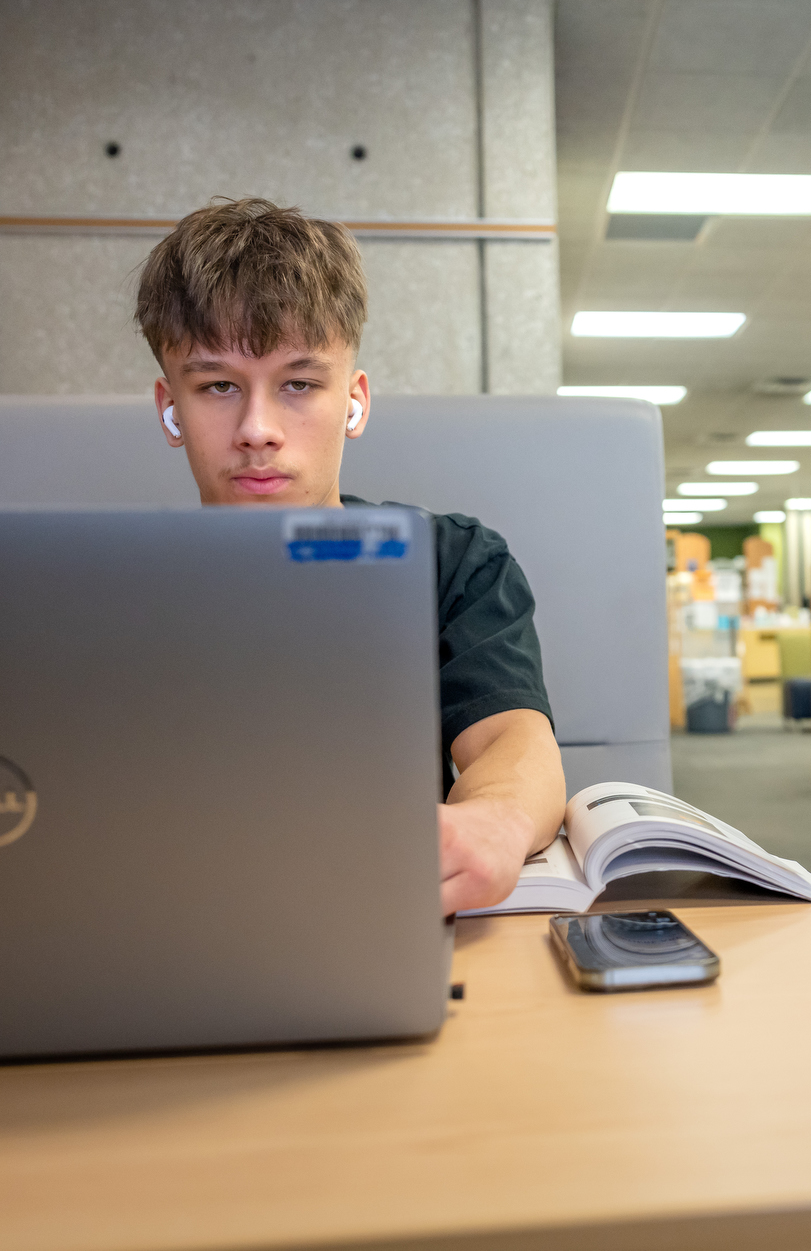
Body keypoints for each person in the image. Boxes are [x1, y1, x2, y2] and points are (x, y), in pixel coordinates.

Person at [135, 197, 565, 915]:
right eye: (218, 386)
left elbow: (509, 738)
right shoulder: (104, 588)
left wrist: (496, 820)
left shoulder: (452, 563)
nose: (258, 429)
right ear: (169, 408)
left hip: (389, 913)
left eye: (299, 384)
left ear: (355, 401)